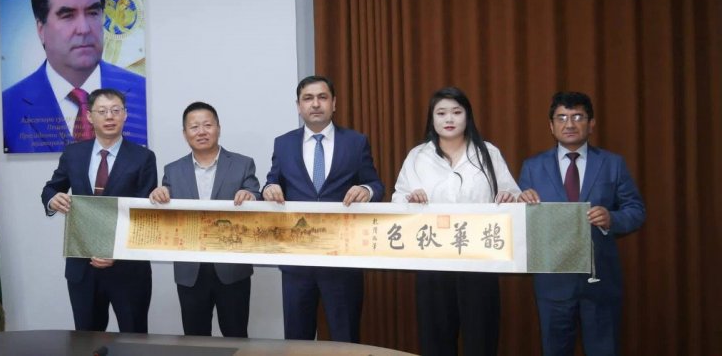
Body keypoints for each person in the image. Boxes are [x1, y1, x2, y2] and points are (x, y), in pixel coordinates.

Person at [392, 87, 520, 356]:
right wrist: (411, 200)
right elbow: (398, 201)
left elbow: (513, 196)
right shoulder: (418, 156)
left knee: (481, 338)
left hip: (480, 259)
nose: (449, 119)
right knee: (436, 339)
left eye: (456, 112)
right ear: (432, 119)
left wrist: (508, 198)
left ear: (467, 116)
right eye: (441, 113)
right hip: (432, 259)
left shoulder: (488, 153)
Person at [517, 91, 645, 356]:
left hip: (600, 280)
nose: (570, 124)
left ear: (591, 123)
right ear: (551, 126)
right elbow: (519, 223)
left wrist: (612, 218)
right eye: (562, 118)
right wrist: (520, 205)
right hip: (552, 280)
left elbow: (636, 210)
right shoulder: (533, 167)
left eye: (577, 117)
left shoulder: (612, 163)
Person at [263, 75, 385, 343]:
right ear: (299, 106)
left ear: (334, 103)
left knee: (345, 337)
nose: (315, 104)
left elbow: (376, 184)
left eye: (322, 97)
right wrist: (268, 189)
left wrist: (367, 191)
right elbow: (273, 181)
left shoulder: (355, 142)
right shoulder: (283, 144)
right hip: (297, 262)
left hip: (342, 259)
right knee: (297, 340)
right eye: (308, 98)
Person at [41, 88, 156, 333]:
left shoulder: (143, 157)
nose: (109, 116)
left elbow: (143, 214)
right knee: (86, 339)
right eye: (102, 111)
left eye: (116, 110)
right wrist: (53, 200)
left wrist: (116, 252)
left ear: (125, 115)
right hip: (83, 266)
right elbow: (51, 189)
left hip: (127, 269)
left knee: (134, 339)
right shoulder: (73, 153)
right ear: (89, 116)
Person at [3, 0, 147, 153]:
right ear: (41, 29)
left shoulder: (141, 92)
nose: (84, 29)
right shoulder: (9, 106)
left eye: (93, 13)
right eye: (67, 16)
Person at [149, 102, 261, 337]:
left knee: (236, 336)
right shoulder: (173, 170)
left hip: (232, 268)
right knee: (195, 339)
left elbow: (256, 195)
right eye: (194, 127)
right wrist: (159, 194)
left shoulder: (243, 164)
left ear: (218, 128)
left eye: (207, 125)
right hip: (190, 270)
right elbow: (167, 210)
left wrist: (251, 196)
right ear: (185, 133)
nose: (201, 131)